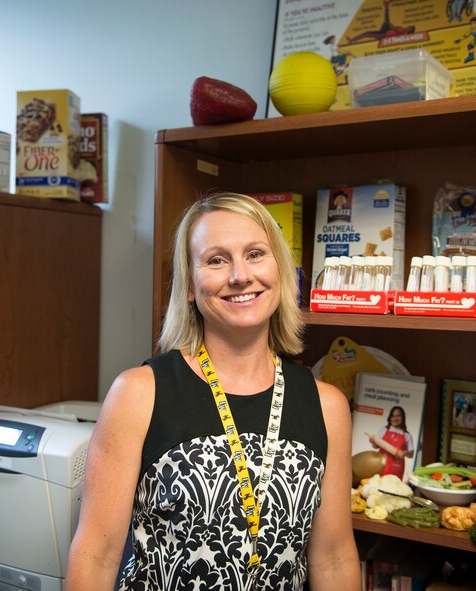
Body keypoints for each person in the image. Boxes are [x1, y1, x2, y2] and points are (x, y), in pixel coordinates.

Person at [66, 193, 360, 590]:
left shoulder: (327, 406)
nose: (240, 275)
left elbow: (335, 558)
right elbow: (95, 557)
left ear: (281, 270)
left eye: (255, 254)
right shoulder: (139, 394)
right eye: (216, 260)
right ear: (189, 285)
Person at [366, 405, 413, 479]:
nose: (395, 418)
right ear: (390, 418)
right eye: (393, 416)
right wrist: (374, 442)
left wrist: (404, 452)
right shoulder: (384, 429)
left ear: (403, 418)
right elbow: (376, 446)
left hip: (397, 468)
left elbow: (411, 454)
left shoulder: (407, 435)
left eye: (398, 416)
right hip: (381, 464)